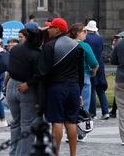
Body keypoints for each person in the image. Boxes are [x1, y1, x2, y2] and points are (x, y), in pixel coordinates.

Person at [37, 17, 83, 155]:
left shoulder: (50, 46)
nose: (48, 29)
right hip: (73, 87)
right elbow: (80, 72)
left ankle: (55, 153)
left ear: (57, 29)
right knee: (72, 122)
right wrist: (79, 90)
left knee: (57, 122)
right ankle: (73, 154)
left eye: (50, 27)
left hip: (56, 88)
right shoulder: (77, 46)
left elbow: (43, 71)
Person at [6, 27, 43, 156]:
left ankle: (13, 152)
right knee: (27, 124)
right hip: (26, 87)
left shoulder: (15, 49)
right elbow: (39, 74)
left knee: (15, 122)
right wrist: (28, 84)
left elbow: (9, 69)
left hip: (12, 84)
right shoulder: (37, 54)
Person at [68, 23, 97, 141]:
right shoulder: (84, 46)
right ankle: (81, 132)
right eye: (84, 31)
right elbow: (94, 63)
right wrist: (93, 73)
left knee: (69, 106)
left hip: (67, 78)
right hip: (84, 76)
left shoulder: (66, 44)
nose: (86, 34)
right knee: (83, 105)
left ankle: (70, 131)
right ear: (78, 33)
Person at [83, 20, 109, 119]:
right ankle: (105, 111)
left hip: (91, 65)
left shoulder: (86, 39)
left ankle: (92, 112)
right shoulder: (100, 39)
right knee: (100, 89)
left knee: (92, 89)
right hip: (100, 65)